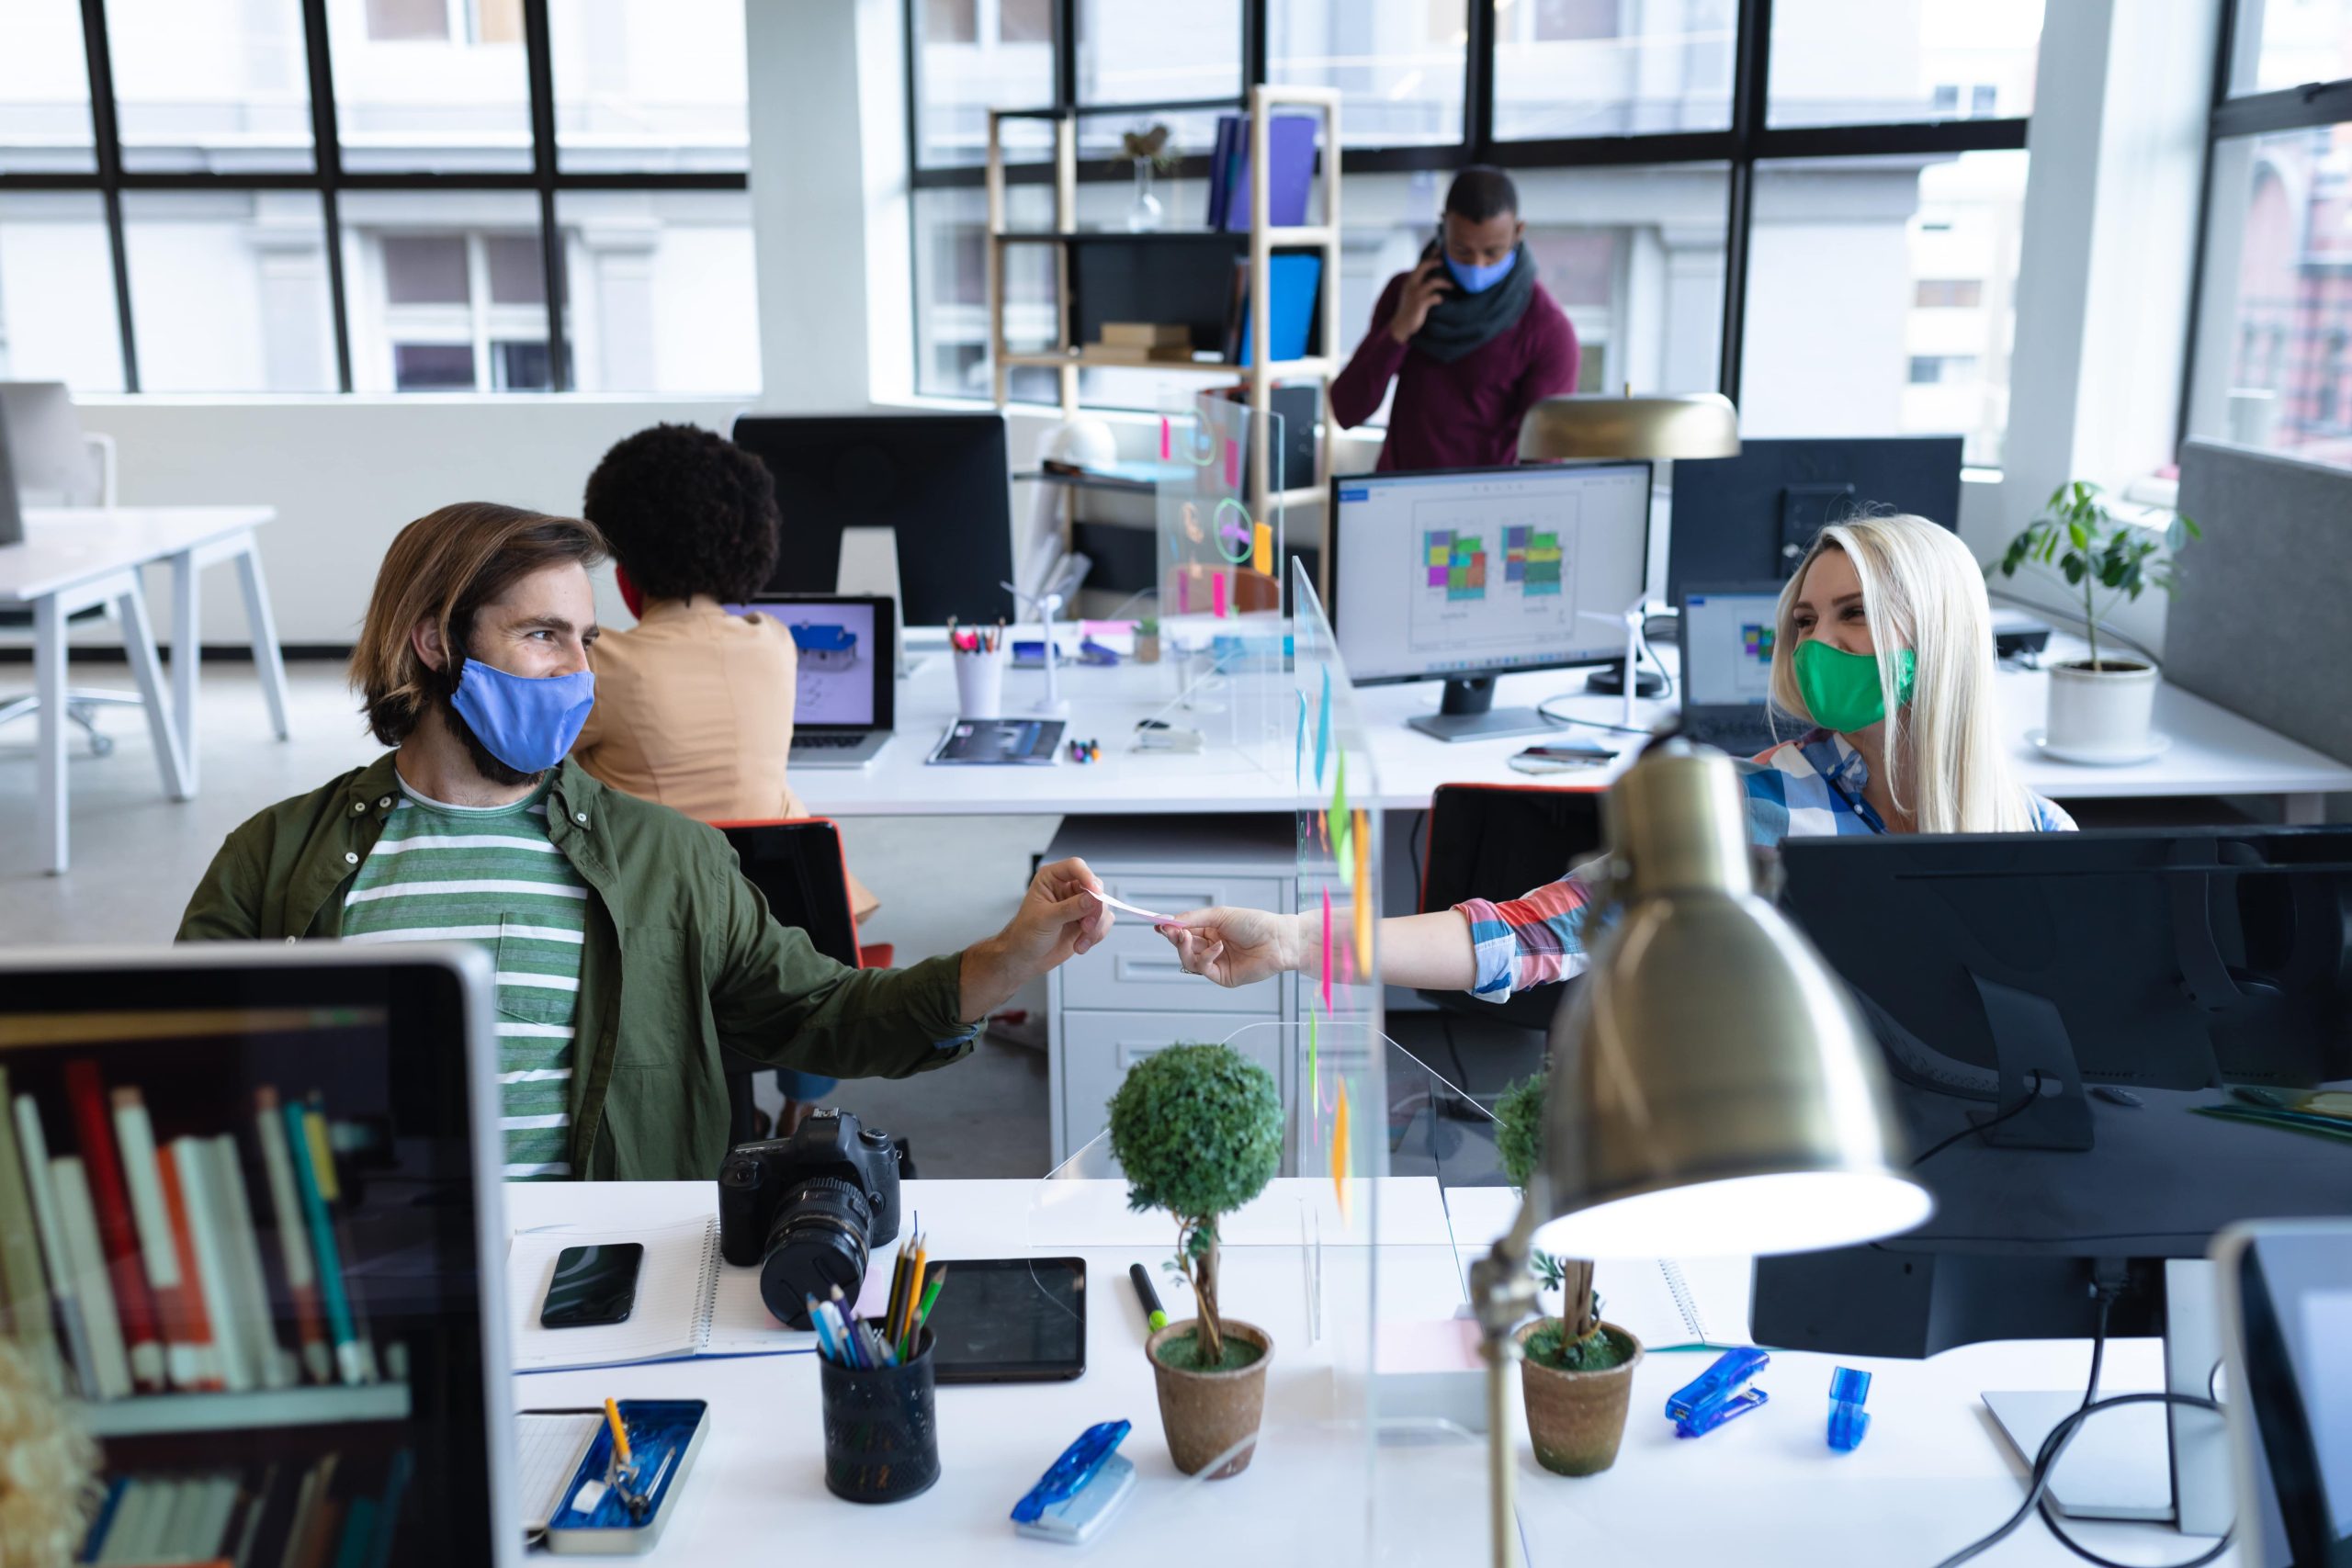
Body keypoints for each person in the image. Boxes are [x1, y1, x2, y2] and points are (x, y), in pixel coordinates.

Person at [177, 502, 1114, 1181]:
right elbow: (179, 1081)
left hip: (600, 1283)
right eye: (542, 636)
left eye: (587, 639)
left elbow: (828, 1013)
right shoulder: (274, 858)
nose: (579, 672)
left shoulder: (669, 858)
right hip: (370, 1285)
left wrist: (1006, 958)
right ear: (433, 643)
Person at [1159, 513, 2074, 1001]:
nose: (1817, 643)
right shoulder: (1754, 806)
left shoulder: (2044, 837)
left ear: (1937, 633)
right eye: (1803, 621)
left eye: (1854, 614)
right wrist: (1296, 941)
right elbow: (1534, 934)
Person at [571, 423, 869, 1137]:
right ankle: (804, 1099)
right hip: (786, 917)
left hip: (661, 932)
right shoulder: (774, 641)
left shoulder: (604, 665)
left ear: (624, 570)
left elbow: (532, 758)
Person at [1329, 165, 1580, 472]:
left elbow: (1544, 462)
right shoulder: (1406, 294)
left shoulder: (1547, 329)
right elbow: (1346, 411)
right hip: (1398, 490)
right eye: (1462, 250)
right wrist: (1399, 330)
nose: (1477, 265)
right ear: (1443, 228)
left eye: (1493, 252)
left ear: (1518, 232)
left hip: (1485, 495)